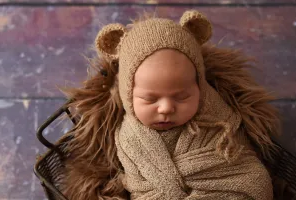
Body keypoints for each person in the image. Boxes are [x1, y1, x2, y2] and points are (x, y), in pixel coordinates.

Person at [60, 10, 280, 200]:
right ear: (128, 95)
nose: (166, 108)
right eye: (150, 99)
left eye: (182, 97)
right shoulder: (129, 137)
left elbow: (244, 170)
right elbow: (139, 187)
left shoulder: (217, 118)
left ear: (200, 88)